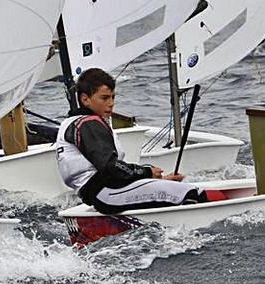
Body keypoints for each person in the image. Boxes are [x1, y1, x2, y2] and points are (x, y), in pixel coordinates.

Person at [56, 68, 220, 214]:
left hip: (105, 193)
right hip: (106, 194)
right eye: (104, 98)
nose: (111, 103)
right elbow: (110, 168)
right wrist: (147, 172)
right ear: (85, 99)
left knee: (175, 190)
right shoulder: (88, 124)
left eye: (113, 97)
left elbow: (113, 173)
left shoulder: (73, 122)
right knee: (195, 194)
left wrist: (158, 181)